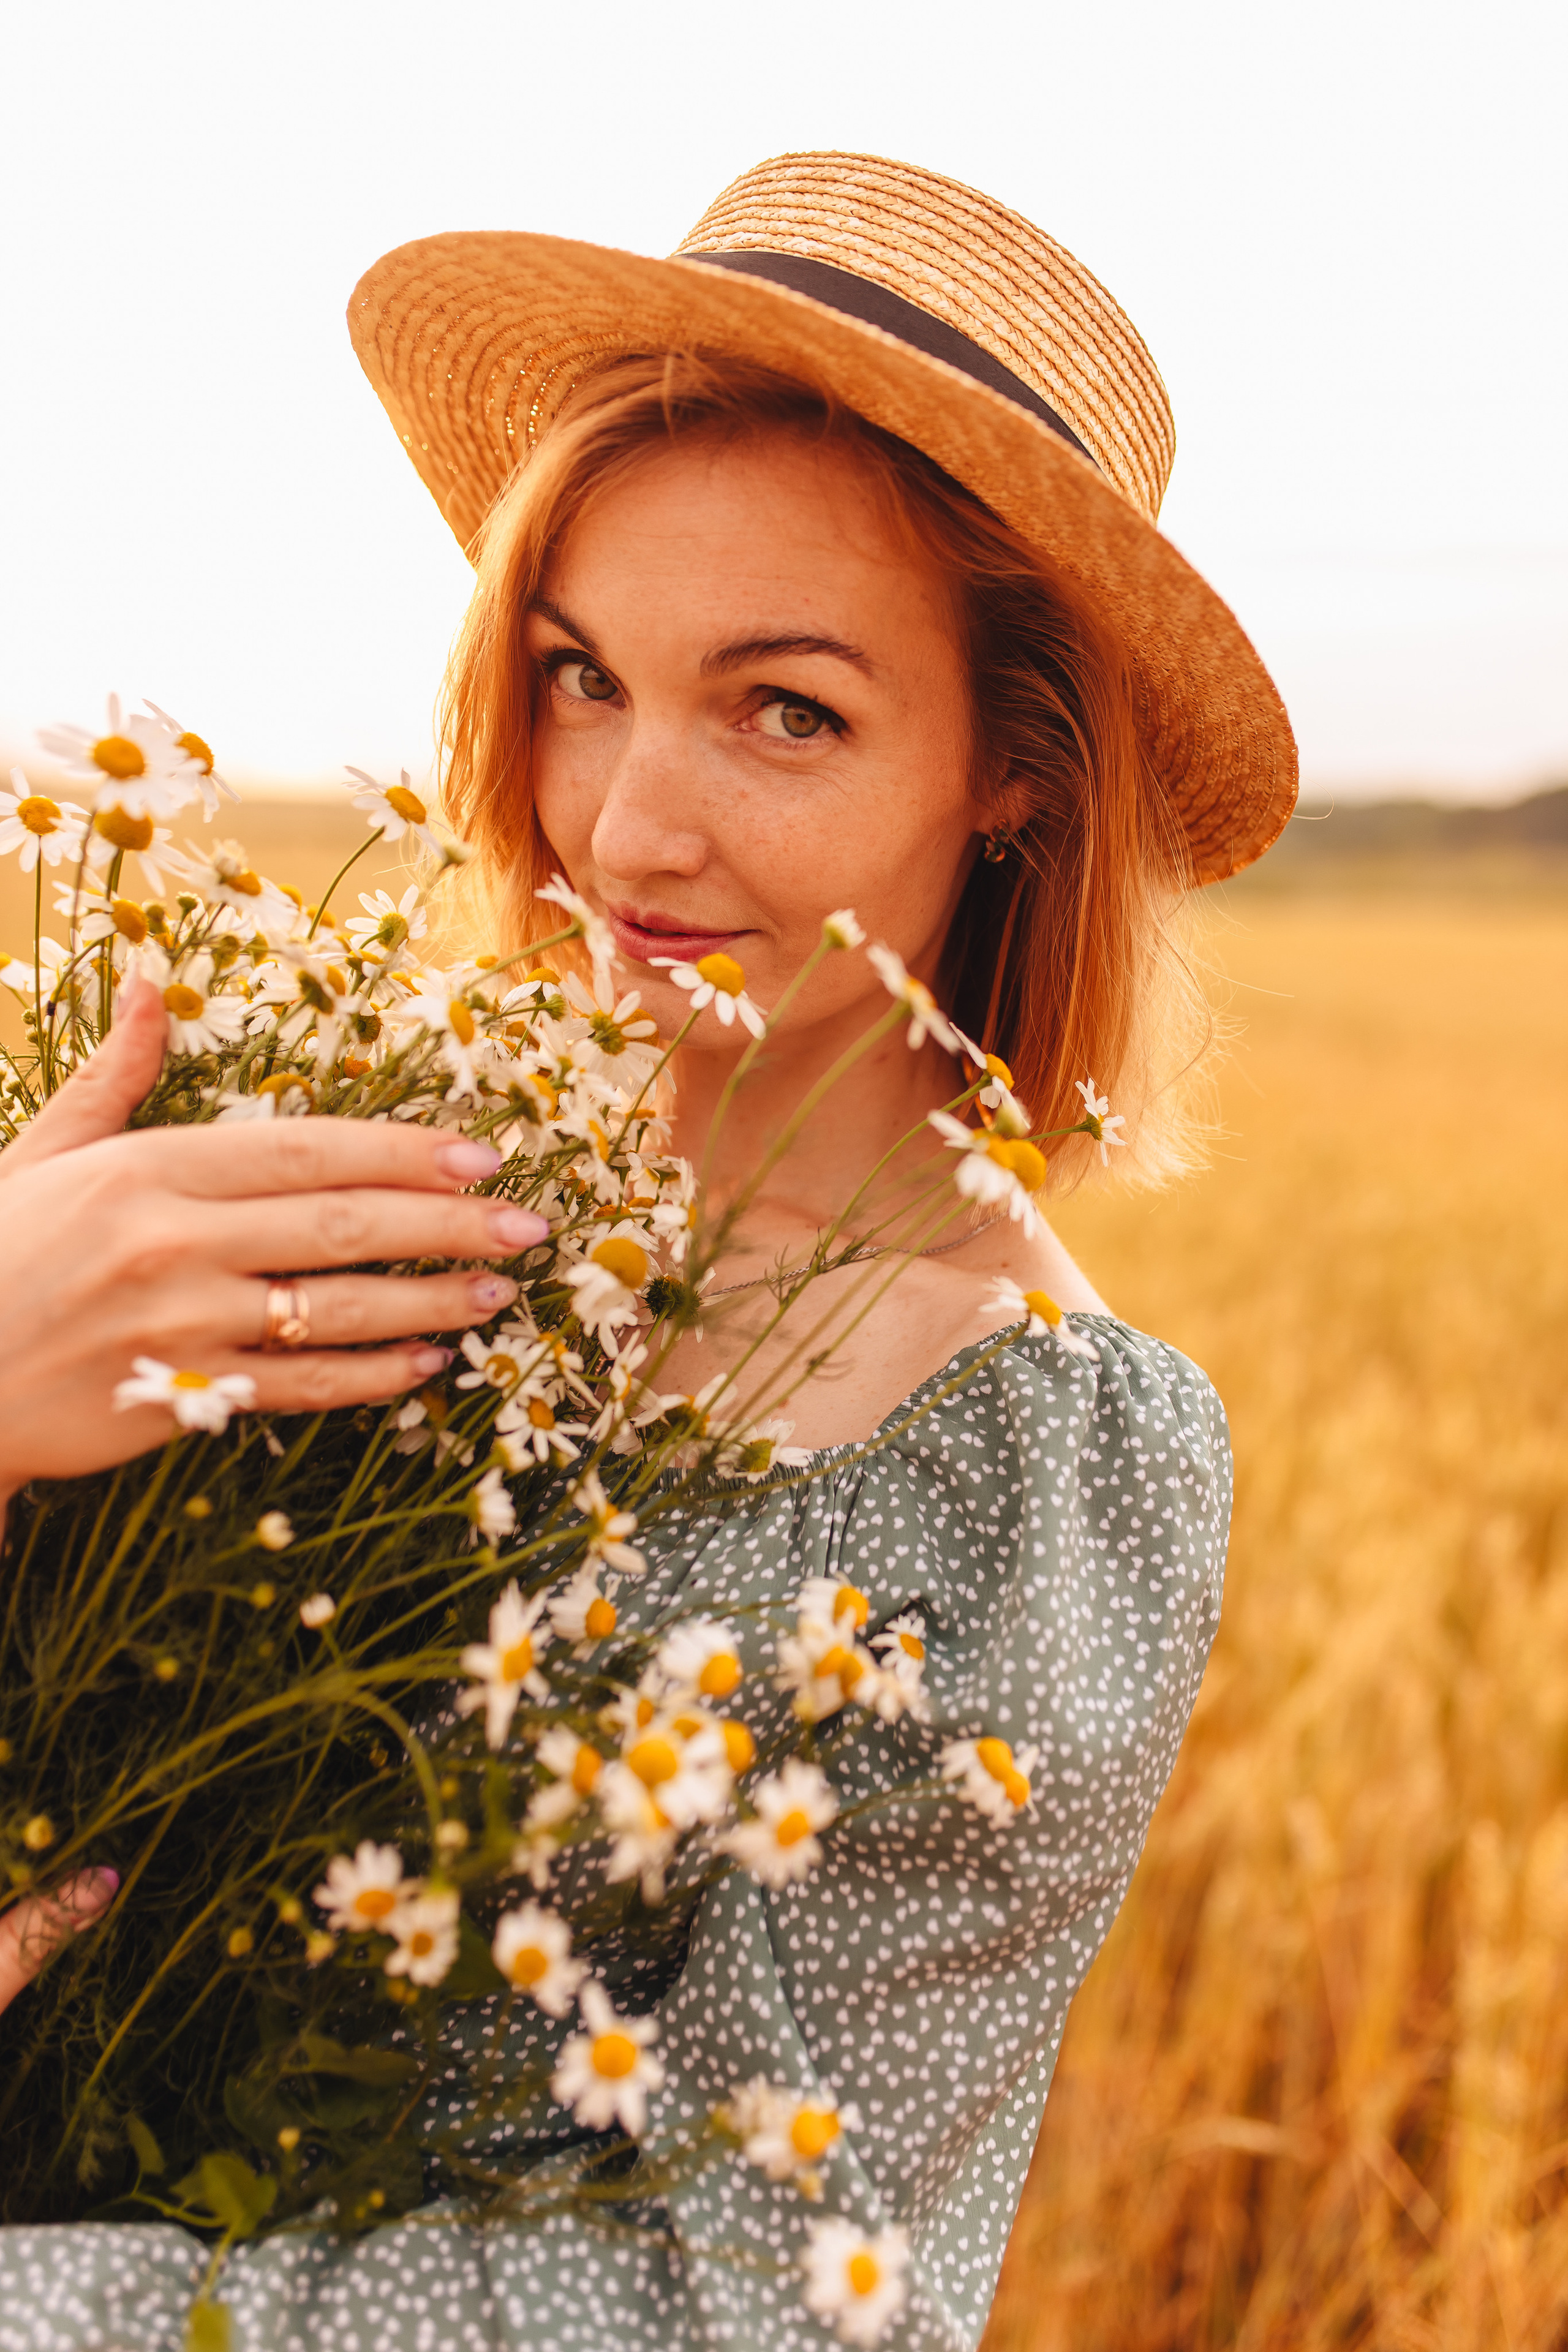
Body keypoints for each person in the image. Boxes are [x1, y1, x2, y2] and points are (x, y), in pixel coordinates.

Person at [0, 151, 1294, 2349]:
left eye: (788, 709)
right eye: (583, 674)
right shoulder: (292, 1147)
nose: (621, 825)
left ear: (1019, 771)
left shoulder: (1041, 1472)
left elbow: (759, 2311)